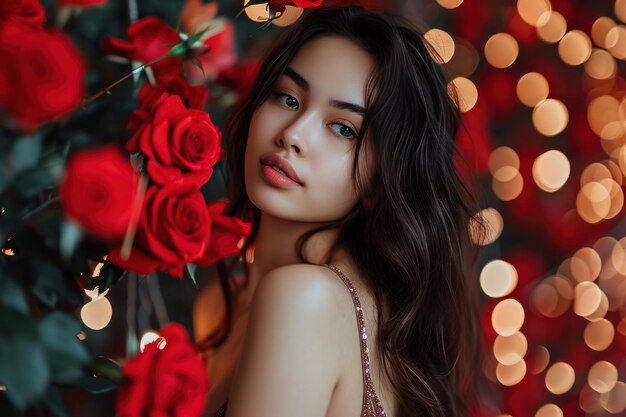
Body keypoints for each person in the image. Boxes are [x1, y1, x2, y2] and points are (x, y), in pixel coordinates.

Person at [193, 6, 485, 417]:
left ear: (382, 178)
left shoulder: (304, 299)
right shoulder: (221, 308)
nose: (292, 135)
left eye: (343, 128)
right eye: (288, 98)